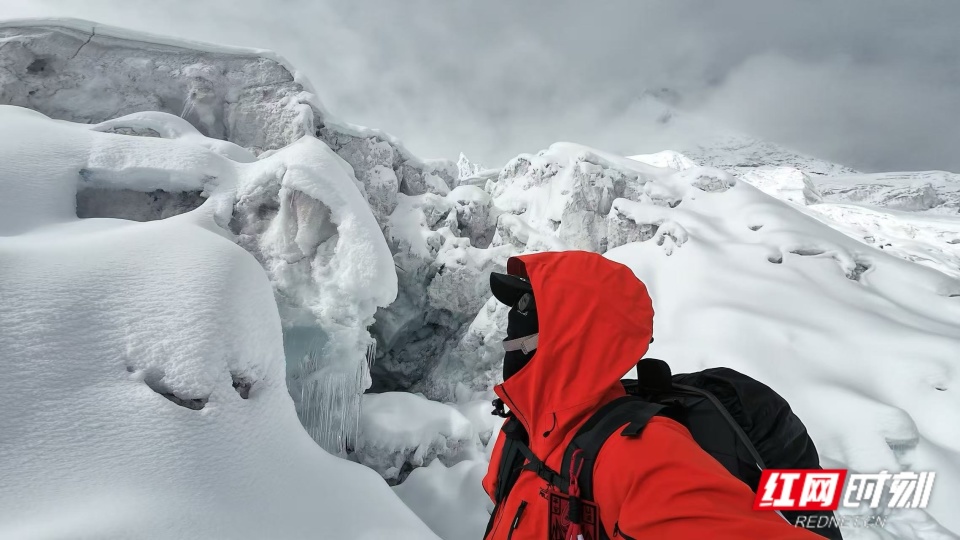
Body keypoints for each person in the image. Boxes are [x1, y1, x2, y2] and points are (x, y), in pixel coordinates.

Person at [482, 250, 822, 539]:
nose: (516, 317)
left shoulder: (641, 453)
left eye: (529, 304)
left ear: (574, 334)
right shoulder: (520, 433)